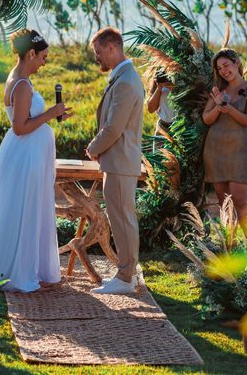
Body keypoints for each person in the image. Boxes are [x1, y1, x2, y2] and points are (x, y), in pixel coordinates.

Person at [0, 29, 71, 292]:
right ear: (31, 54)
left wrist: (51, 115)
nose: (45, 61)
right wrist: (50, 113)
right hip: (26, 157)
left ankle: (34, 268)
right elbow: (19, 127)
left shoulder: (21, 80)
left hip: (29, 155)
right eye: (43, 56)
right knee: (27, 211)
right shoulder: (20, 84)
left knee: (31, 210)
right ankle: (22, 273)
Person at [86, 27, 145, 295]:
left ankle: (125, 277)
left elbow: (113, 127)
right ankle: (126, 273)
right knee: (122, 217)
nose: (97, 58)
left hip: (120, 161)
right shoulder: (123, 77)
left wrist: (94, 148)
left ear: (112, 47)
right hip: (118, 162)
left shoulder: (125, 81)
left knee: (123, 219)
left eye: (99, 52)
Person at [202, 49, 247, 233]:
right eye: (219, 68)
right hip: (215, 151)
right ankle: (230, 248)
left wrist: (230, 110)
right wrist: (219, 107)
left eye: (226, 65)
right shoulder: (218, 91)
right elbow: (206, 118)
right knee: (224, 203)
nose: (223, 71)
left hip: (240, 151)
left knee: (240, 201)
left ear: (236, 63)